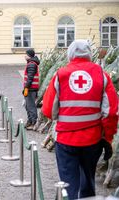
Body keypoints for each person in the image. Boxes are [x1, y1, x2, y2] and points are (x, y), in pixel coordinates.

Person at [42, 40, 118, 199]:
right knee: (88, 182)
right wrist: (108, 137)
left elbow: (48, 110)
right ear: (90, 54)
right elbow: (111, 112)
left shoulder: (60, 74)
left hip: (66, 140)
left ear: (70, 54)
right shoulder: (101, 74)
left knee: (68, 184)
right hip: (92, 140)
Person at [22, 49, 40, 130]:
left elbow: (30, 78)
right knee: (27, 105)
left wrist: (26, 87)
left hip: (31, 89)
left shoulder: (31, 64)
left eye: (26, 54)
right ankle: (30, 121)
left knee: (31, 106)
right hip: (31, 88)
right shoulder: (31, 63)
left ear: (29, 55)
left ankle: (33, 123)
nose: (25, 56)